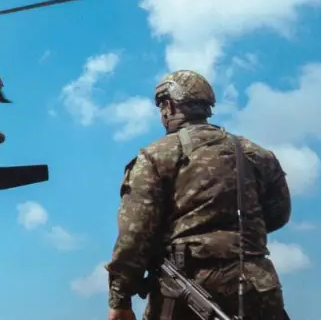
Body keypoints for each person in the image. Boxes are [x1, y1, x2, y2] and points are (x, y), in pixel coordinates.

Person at [105, 70, 291, 320]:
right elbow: (278, 215)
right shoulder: (258, 154)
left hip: (189, 288)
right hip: (259, 285)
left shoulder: (156, 156)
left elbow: (135, 235)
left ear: (169, 106)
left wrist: (120, 299)